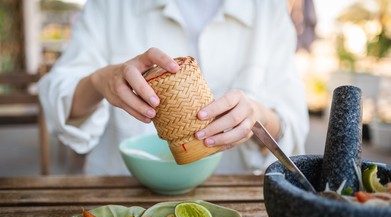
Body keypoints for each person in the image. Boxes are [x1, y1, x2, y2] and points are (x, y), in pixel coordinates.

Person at [38, 0, 309, 175]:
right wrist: (99, 81)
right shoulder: (110, 6)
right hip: (123, 194)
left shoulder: (268, 9)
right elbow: (56, 96)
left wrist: (256, 116)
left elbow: (292, 127)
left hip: (232, 199)